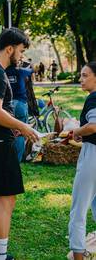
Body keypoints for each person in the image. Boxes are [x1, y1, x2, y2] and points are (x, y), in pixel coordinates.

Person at [0, 28, 39, 260]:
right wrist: (23, 126)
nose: (21, 57)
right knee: (6, 200)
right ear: (9, 48)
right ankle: (0, 256)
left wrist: (12, 126)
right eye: (20, 51)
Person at [68, 62, 96, 260]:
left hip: (92, 155)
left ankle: (78, 255)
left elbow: (94, 126)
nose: (81, 79)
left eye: (85, 75)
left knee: (78, 209)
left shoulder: (94, 98)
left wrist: (76, 131)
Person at [5, 63, 33, 162]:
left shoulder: (3, 72)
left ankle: (8, 157)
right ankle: (17, 159)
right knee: (21, 131)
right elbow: (31, 71)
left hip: (7, 105)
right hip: (20, 104)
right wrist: (29, 66)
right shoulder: (20, 71)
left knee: (8, 132)